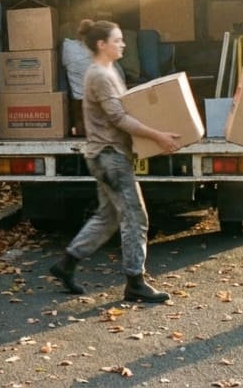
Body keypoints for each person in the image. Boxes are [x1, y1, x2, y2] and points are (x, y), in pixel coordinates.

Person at [49, 20, 182, 301]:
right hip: (110, 156)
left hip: (105, 154)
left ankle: (66, 264)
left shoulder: (110, 71)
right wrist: (157, 135)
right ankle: (135, 282)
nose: (123, 44)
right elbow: (118, 117)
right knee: (136, 217)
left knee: (108, 216)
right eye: (118, 40)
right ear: (101, 44)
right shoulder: (99, 74)